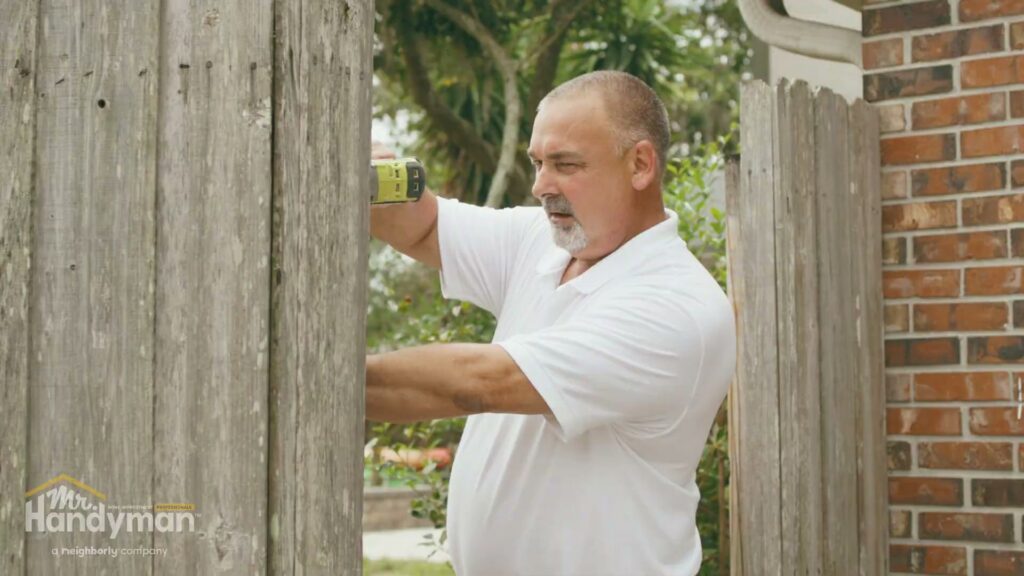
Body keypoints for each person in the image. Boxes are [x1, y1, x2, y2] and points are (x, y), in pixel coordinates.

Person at [366, 70, 736, 576]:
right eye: (538, 163)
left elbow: (481, 383)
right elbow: (425, 226)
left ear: (641, 164)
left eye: (566, 164)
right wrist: (367, 174)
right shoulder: (542, 242)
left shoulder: (677, 307)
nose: (541, 186)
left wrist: (300, 380)